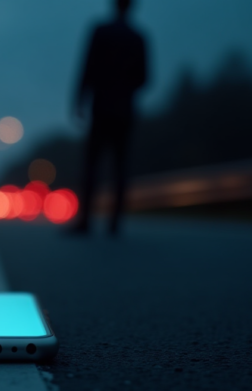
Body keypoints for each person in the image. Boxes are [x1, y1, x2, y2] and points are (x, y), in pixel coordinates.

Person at [71, 0, 147, 235]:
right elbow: (145, 77)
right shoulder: (138, 38)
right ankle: (115, 223)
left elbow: (86, 66)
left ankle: (85, 221)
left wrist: (79, 100)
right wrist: (126, 89)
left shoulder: (100, 32)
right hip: (124, 110)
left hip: (101, 107)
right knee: (120, 165)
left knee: (92, 164)